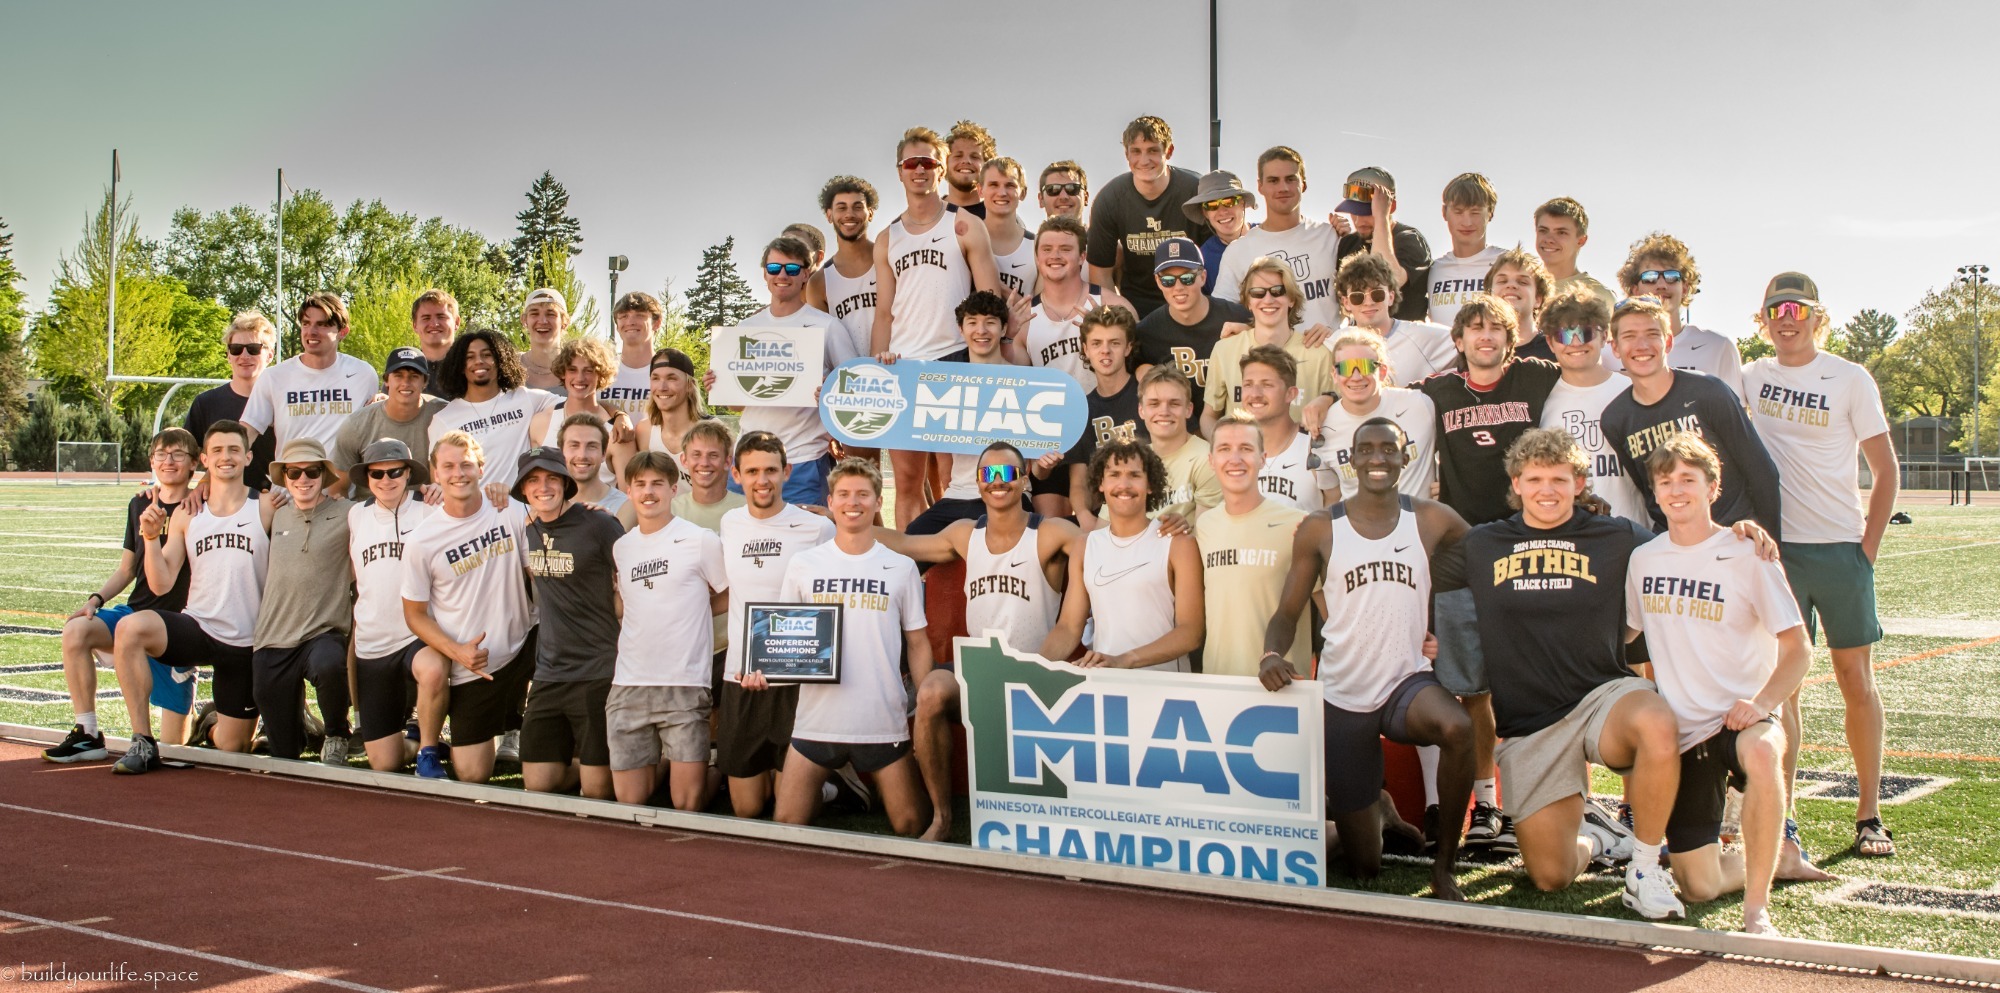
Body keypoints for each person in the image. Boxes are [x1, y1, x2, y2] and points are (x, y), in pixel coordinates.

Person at [1262, 417, 1475, 900]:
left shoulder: (1431, 517)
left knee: (1458, 729)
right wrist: (1271, 652)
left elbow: (1489, 554)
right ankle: (1373, 809)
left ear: (1407, 457)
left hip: (1407, 681)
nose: (1378, 458)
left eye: (1389, 449)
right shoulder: (1320, 527)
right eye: (1367, 450)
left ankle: (1444, 869)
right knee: (1365, 869)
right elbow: (1287, 612)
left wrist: (1444, 628)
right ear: (1352, 459)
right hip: (1344, 693)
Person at [1741, 271, 1901, 860]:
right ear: (1763, 320)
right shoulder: (1751, 377)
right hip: (1778, 553)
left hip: (1840, 549)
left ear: (1816, 316)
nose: (1787, 318)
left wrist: (1867, 551)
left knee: (1855, 680)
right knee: (1785, 690)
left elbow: (1886, 470)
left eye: (1797, 308)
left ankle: (1869, 813)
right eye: (1775, 309)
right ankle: (1784, 817)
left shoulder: (1849, 377)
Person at [1624, 433, 1811, 935]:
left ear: (1713, 486)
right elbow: (1626, 635)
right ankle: (1775, 861)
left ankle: (1757, 908)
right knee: (1699, 886)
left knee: (1763, 753)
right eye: (1666, 482)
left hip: (1743, 717)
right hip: (1685, 733)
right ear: (1655, 493)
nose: (1676, 490)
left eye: (1688, 479)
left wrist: (1762, 703)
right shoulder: (1645, 560)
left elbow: (1799, 649)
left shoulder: (1747, 551)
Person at [876, 442, 1083, 841]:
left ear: (1024, 479)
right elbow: (902, 544)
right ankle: (941, 816)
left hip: (1036, 671)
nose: (998, 482)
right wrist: (839, 522)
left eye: (1008, 474)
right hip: (980, 671)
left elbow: (1098, 547)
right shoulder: (964, 534)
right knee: (932, 691)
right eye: (989, 474)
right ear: (977, 483)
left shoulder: (1050, 532)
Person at [1419, 293, 1561, 847]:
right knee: (1473, 687)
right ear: (1458, 341)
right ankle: (1486, 805)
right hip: (1464, 550)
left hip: (1529, 542)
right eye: (1474, 329)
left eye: (1495, 329)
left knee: (1537, 678)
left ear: (1510, 337)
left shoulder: (1538, 378)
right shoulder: (1437, 390)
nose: (1484, 337)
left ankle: (1550, 799)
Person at [742, 458, 932, 837]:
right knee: (788, 824)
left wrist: (924, 702)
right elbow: (783, 642)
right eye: (843, 494)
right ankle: (838, 785)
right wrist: (764, 673)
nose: (853, 503)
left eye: (863, 494)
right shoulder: (804, 564)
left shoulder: (900, 567)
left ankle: (850, 782)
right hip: (817, 719)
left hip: (880, 719)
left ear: (879, 502)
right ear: (830, 502)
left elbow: (918, 641)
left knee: (911, 825)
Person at [108, 421, 273, 773]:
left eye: (233, 450)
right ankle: (142, 739)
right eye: (216, 451)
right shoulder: (187, 512)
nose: (225, 457)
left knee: (233, 747)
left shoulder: (267, 506)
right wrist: (150, 538)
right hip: (198, 627)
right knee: (130, 629)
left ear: (248, 456)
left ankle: (210, 724)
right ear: (204, 459)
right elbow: (161, 584)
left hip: (246, 641)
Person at [871, 124, 1003, 528]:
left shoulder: (964, 224)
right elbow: (883, 313)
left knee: (954, 479)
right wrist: (878, 367)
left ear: (941, 169)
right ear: (899, 170)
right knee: (907, 483)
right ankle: (916, 574)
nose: (920, 169)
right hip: (903, 365)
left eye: (929, 162)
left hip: (954, 360)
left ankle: (953, 580)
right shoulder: (887, 237)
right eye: (912, 162)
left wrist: (986, 364)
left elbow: (990, 300)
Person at [44, 429, 201, 763]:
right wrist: (95, 600)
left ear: (193, 463)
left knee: (176, 749)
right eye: (161, 453)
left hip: (176, 627)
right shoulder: (140, 502)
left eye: (177, 454)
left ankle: (207, 719)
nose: (168, 460)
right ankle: (87, 733)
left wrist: (204, 488)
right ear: (151, 461)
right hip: (136, 613)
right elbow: (127, 568)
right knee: (76, 630)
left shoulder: (201, 503)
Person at [400, 432, 536, 784]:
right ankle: (439, 743)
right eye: (448, 466)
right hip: (474, 663)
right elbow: (414, 614)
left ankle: (524, 729)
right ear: (435, 473)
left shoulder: (510, 511)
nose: (458, 473)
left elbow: (535, 573)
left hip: (525, 645)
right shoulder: (422, 540)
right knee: (472, 775)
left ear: (481, 468)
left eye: (466, 465)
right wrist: (457, 652)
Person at [716, 431, 836, 818]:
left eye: (771, 470)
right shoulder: (729, 523)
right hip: (742, 676)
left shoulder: (817, 528)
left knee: (790, 812)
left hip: (795, 680)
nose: (762, 480)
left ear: (787, 471)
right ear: (736, 474)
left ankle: (833, 782)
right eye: (752, 471)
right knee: (747, 809)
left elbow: (828, 604)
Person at [1601, 297, 1782, 538]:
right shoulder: (1615, 419)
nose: (1641, 345)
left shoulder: (1709, 392)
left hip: (1734, 537)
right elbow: (1649, 492)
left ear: (1667, 342)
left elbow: (1762, 472)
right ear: (1615, 348)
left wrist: (1768, 547)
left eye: (1652, 334)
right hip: (1675, 546)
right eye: (1629, 336)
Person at [608, 450, 728, 809]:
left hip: (684, 683)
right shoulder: (622, 546)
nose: (649, 492)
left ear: (674, 488)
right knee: (630, 800)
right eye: (640, 484)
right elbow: (623, 606)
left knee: (686, 804)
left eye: (657, 483)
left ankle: (718, 765)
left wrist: (695, 608)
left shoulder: (700, 539)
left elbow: (730, 594)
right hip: (629, 683)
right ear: (628, 491)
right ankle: (665, 761)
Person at [1041, 440, 1204, 672]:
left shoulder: (1178, 543)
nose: (1124, 484)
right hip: (1108, 692)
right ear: (1101, 484)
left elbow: (1191, 632)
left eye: (1135, 475)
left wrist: (1125, 660)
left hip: (1166, 690)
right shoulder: (1085, 545)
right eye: (1114, 474)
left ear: (1150, 485)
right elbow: (1068, 627)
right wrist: (1034, 669)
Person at [517, 447, 622, 801]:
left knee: (598, 793)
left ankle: (653, 764)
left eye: (550, 479)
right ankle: (585, 763)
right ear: (523, 489)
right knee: (538, 784)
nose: (542, 487)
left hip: (598, 669)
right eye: (533, 480)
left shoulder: (600, 523)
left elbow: (631, 581)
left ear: (564, 483)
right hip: (548, 672)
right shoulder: (527, 528)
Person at [249, 438, 356, 764]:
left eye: (311, 471)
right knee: (284, 754)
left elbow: (391, 510)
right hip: (273, 637)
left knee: (328, 663)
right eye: (294, 473)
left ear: (324, 475)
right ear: (284, 478)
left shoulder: (349, 513)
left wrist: (431, 493)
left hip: (322, 632)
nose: (303, 479)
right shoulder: (273, 512)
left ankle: (337, 734)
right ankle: (304, 730)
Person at [912, 290, 1049, 532]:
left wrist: (1047, 463)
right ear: (960, 329)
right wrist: (887, 364)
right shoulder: (946, 382)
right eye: (972, 323)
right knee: (910, 543)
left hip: (1008, 494)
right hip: (957, 496)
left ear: (1005, 328)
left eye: (991, 323)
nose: (981, 331)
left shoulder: (1027, 382)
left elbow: (1037, 468)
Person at [346, 438, 436, 773]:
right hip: (373, 642)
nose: (386, 480)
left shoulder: (430, 507)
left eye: (394, 472)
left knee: (432, 669)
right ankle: (416, 739)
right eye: (377, 474)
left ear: (408, 472)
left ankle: (428, 746)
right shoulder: (356, 515)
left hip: (417, 633)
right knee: (384, 764)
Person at [1196, 415, 1310, 678]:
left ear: (1263, 458)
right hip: (1219, 684)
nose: (1235, 459)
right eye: (1224, 449)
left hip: (1282, 687)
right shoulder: (1203, 526)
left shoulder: (1298, 525)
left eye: (1246, 449)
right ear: (1211, 460)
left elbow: (1333, 613)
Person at [733, 235, 837, 507]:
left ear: (806, 274)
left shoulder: (826, 326)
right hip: (749, 459)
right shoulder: (745, 328)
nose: (782, 275)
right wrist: (719, 384)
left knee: (806, 544)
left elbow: (850, 386)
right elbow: (735, 404)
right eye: (774, 268)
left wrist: (830, 390)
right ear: (764, 274)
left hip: (803, 459)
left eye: (792, 269)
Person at [240, 293, 378, 492]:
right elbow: (245, 434)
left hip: (341, 502)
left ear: (343, 331)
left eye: (322, 325)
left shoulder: (363, 374)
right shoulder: (274, 377)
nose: (311, 331)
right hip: (288, 498)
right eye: (306, 323)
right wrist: (208, 480)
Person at [1538, 289, 1648, 524]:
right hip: (1568, 537)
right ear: (1550, 342)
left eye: (1586, 332)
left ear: (1605, 335)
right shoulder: (1540, 400)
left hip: (1635, 531)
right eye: (1564, 335)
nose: (1576, 342)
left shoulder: (1633, 390)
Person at [1087, 116, 1212, 318]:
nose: (1144, 160)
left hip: (1194, 298)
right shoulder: (1109, 199)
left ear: (1168, 151)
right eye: (1136, 151)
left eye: (1153, 150)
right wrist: (1119, 319)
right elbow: (1100, 274)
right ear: (1127, 154)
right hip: (1138, 304)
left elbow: (1216, 254)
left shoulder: (1196, 191)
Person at [1202, 256, 1335, 438]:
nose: (1268, 299)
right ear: (1248, 302)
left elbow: (1337, 410)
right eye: (1258, 292)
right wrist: (1224, 446)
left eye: (1278, 291)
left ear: (1291, 299)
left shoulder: (1319, 353)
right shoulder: (1224, 350)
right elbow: (1208, 416)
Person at [1213, 147, 1344, 331]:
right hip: (1271, 356)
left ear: (1303, 184)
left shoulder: (1331, 236)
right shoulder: (1239, 251)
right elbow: (1221, 315)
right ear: (1260, 186)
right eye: (1273, 181)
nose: (1283, 188)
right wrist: (1250, 332)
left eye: (1291, 179)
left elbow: (1361, 298)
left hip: (1327, 355)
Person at [1133, 237, 1252, 430]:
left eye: (1187, 278)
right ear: (1158, 282)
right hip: (1182, 435)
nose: (1178, 287)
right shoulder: (1147, 331)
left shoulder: (1237, 317)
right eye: (1168, 280)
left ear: (1203, 277)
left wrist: (1251, 333)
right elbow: (1129, 366)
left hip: (1238, 427)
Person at [1308, 329, 1437, 504]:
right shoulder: (1321, 428)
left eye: (1365, 366)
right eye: (1345, 368)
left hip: (1419, 527)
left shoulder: (1420, 404)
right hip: (1357, 528)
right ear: (1334, 374)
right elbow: (1332, 497)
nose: (1356, 377)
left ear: (1382, 371)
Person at [1610, 233, 1745, 398]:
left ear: (1685, 288)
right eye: (1650, 278)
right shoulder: (1608, 354)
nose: (1661, 285)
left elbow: (1734, 416)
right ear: (1635, 290)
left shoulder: (1719, 347)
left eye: (1672, 277)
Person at [427, 329, 560, 491]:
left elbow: (576, 405)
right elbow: (438, 480)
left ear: (500, 359)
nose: (479, 361)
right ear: (460, 366)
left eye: (487, 355)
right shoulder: (444, 419)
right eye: (469, 357)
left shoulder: (525, 399)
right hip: (475, 511)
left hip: (522, 508)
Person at [1066, 307, 1152, 530]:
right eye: (1096, 344)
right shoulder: (1081, 409)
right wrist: (1084, 516)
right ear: (1085, 349)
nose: (1105, 351)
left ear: (1128, 347)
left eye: (1114, 343)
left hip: (1154, 508)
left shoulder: (1148, 393)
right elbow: (1078, 481)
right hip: (1106, 518)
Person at [1325, 252, 1455, 388]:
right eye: (1358, 296)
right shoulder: (1333, 342)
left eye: (1377, 294)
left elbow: (1468, 345)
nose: (1368, 302)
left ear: (1391, 297)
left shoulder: (1423, 336)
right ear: (1346, 302)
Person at [1008, 215, 1104, 395]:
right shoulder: (1023, 320)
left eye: (1065, 249)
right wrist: (1006, 338)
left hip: (1103, 417)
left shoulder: (1110, 305)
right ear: (1037, 258)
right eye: (1047, 249)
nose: (1055, 256)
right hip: (1050, 416)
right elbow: (1013, 379)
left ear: (1082, 256)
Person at [333, 347, 446, 499]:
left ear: (425, 381)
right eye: (398, 376)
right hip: (371, 511)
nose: (406, 383)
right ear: (386, 380)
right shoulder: (357, 425)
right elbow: (337, 490)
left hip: (426, 509)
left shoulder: (443, 413)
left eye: (414, 376)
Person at [185, 311, 277, 490]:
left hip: (278, 503)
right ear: (228, 355)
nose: (244, 356)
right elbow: (184, 456)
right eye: (236, 349)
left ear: (270, 355)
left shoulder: (284, 402)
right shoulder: (205, 403)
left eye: (253, 348)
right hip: (222, 507)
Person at [529, 337, 632, 486]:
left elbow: (628, 497)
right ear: (563, 373)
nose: (580, 378)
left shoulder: (618, 432)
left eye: (588, 371)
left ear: (601, 375)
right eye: (572, 370)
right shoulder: (541, 423)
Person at [1332, 167, 1431, 322]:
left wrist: (1380, 218)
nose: (1358, 221)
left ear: (1390, 207)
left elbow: (1385, 280)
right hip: (1363, 341)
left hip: (1405, 340)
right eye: (1354, 212)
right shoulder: (1348, 243)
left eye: (1367, 212)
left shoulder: (1410, 239)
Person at [1236, 346, 1323, 513]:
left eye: (1267, 385)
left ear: (1291, 394)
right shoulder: (1232, 452)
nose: (1255, 394)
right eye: (1248, 384)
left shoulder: (1313, 446)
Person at [1139, 365, 1221, 521]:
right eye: (1154, 404)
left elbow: (1204, 535)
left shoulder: (1206, 459)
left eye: (1174, 404)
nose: (1164, 412)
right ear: (1141, 410)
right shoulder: (1132, 462)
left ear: (1188, 410)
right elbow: (1103, 530)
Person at [1427, 173, 1504, 329]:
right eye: (1458, 212)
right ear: (1444, 212)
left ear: (1490, 212)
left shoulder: (1507, 263)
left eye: (1475, 212)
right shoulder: (1433, 270)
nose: (1467, 222)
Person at [819, 175, 881, 368]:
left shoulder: (889, 259)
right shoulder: (819, 281)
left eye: (857, 206)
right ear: (829, 215)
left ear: (870, 213)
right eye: (841, 207)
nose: (849, 214)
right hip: (850, 384)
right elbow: (823, 344)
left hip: (898, 369)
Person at [627, 347, 705, 470]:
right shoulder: (644, 431)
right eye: (656, 378)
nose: (662, 387)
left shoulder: (712, 431)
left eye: (671, 378)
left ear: (690, 385)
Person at [1185, 170, 1256, 295]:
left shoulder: (1270, 235)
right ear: (1205, 213)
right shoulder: (1203, 260)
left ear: (1242, 203)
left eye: (1229, 202)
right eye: (1212, 205)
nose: (1222, 211)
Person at [1534, 197, 1616, 304]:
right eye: (1543, 230)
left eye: (1561, 232)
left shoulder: (1599, 295)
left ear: (1581, 241)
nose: (1549, 239)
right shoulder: (1518, 286)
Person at [601, 292, 667, 421]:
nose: (630, 322)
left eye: (639, 315)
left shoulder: (670, 372)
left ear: (657, 323)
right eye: (623, 316)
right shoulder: (601, 370)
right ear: (617, 325)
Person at [671, 420, 744, 531]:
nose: (704, 463)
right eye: (696, 455)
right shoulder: (670, 511)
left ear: (727, 462)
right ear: (684, 460)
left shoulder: (747, 508)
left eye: (713, 455)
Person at [1487, 248, 1558, 363]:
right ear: (1489, 295)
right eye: (1502, 281)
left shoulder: (1556, 349)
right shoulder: (1477, 349)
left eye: (1523, 282)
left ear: (1538, 299)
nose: (1511, 285)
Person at [982, 157, 1036, 297]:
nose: (1001, 193)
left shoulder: (1037, 247)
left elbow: (1041, 311)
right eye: (993, 185)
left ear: (1023, 193)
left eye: (1010, 185)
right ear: (980, 190)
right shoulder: (962, 240)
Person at [561, 413, 628, 520]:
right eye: (574, 445)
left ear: (603, 454)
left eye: (592, 446)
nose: (582, 455)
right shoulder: (547, 505)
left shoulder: (626, 507)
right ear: (561, 452)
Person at [518, 287, 571, 393]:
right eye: (534, 313)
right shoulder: (511, 366)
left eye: (551, 314)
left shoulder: (579, 367)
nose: (542, 321)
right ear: (524, 320)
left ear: (564, 322)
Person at [410, 289, 460, 398]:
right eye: (426, 318)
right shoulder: (404, 368)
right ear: (415, 325)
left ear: (456, 322)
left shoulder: (471, 366)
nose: (434, 324)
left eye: (441, 317)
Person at [943, 119, 997, 218]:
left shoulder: (1002, 218)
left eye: (975, 157)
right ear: (944, 163)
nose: (966, 161)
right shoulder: (928, 214)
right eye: (958, 156)